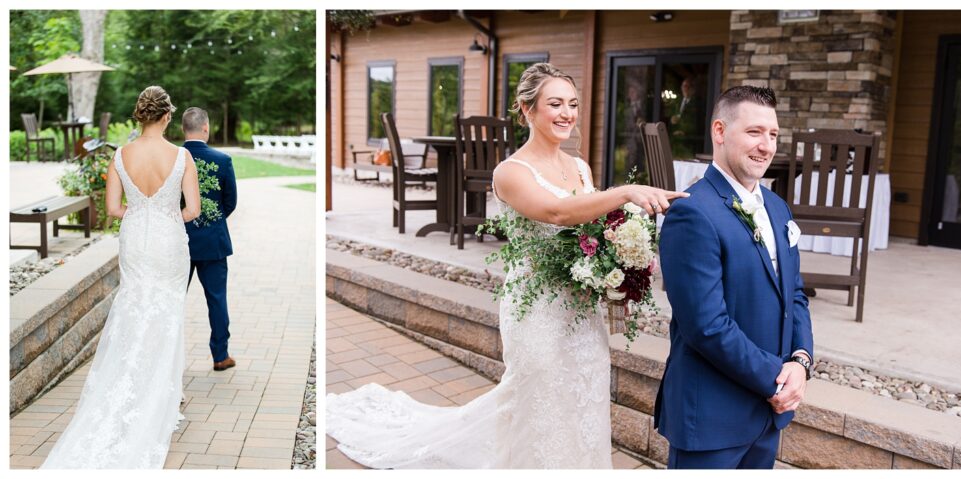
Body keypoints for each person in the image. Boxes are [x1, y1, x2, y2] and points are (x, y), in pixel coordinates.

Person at [324, 63, 686, 468]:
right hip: (538, 310)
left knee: (583, 392)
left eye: (572, 104)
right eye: (554, 104)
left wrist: (620, 257)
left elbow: (593, 227)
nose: (567, 113)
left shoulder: (579, 166)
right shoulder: (510, 172)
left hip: (581, 307)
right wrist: (624, 193)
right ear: (527, 110)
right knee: (539, 396)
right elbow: (559, 212)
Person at [655, 86, 814, 469]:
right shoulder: (692, 213)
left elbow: (794, 293)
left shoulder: (777, 207)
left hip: (765, 415)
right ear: (720, 132)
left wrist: (801, 360)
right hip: (712, 415)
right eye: (754, 132)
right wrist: (776, 379)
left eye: (773, 134)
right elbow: (705, 326)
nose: (766, 145)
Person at [42, 86, 201, 468]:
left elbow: (113, 208)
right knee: (166, 313)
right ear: (166, 117)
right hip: (168, 243)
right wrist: (163, 216)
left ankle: (126, 388)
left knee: (134, 307)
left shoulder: (120, 156)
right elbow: (192, 210)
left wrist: (141, 211)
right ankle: (159, 397)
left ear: (140, 116)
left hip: (135, 240)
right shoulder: (182, 156)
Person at [181, 107, 238, 371]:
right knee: (216, 299)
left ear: (183, 129)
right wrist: (211, 220)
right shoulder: (222, 159)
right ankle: (220, 355)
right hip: (213, 241)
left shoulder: (174, 159)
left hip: (179, 239)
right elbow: (230, 202)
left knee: (174, 299)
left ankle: (170, 357)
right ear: (205, 128)